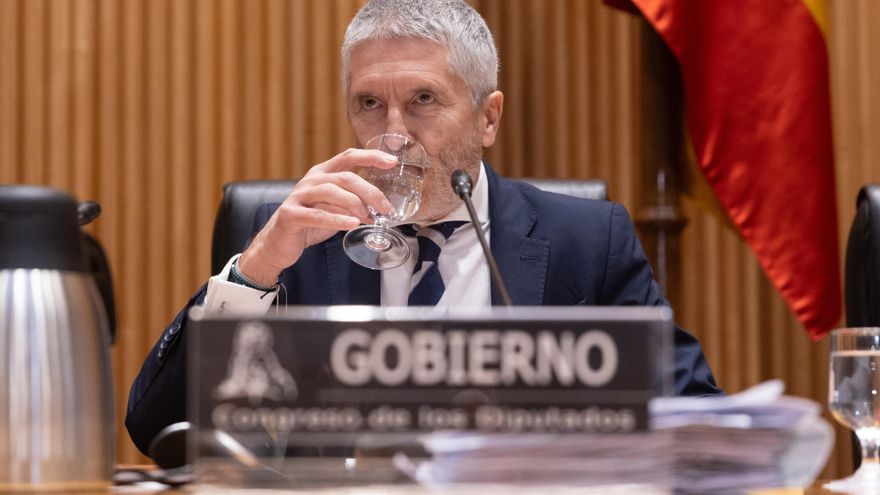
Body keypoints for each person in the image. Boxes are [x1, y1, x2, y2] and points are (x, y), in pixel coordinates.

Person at [125, 0, 722, 456]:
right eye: (368, 105)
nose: (396, 134)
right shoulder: (295, 241)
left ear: (488, 117)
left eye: (423, 100)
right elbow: (157, 429)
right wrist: (253, 271)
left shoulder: (585, 241)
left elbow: (697, 420)